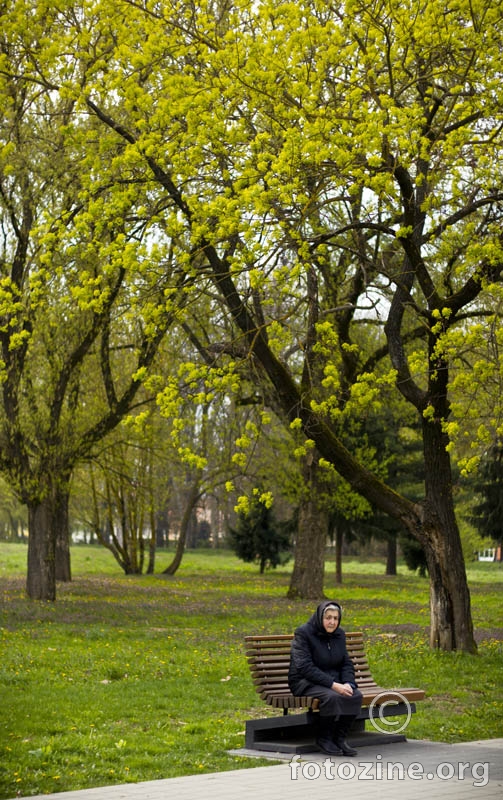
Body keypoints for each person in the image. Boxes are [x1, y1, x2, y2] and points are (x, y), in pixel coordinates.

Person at [288, 600, 363, 756]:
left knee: (355, 695)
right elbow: (305, 667)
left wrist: (349, 683)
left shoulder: (339, 635)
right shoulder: (303, 633)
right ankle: (324, 739)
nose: (332, 622)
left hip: (331, 681)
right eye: (328, 617)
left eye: (335, 618)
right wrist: (334, 685)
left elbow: (346, 663)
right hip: (304, 682)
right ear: (320, 617)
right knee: (332, 697)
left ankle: (340, 739)